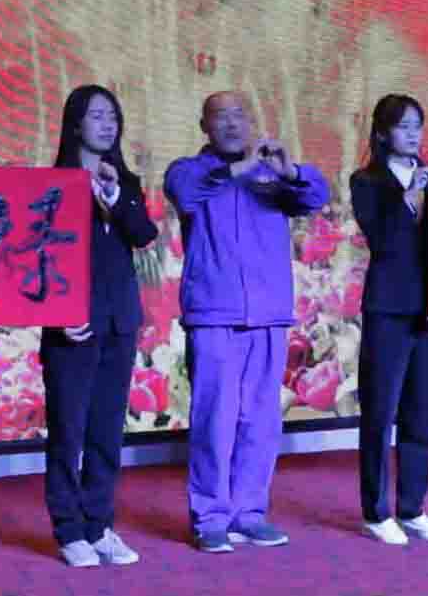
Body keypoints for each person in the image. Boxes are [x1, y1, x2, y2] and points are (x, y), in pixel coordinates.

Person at [164, 90, 330, 553]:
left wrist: (289, 171)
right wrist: (240, 169)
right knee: (214, 421)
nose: (232, 124)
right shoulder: (188, 171)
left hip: (268, 315)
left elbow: (316, 195)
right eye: (221, 116)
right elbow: (185, 193)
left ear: (252, 122)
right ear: (204, 126)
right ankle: (210, 518)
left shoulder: (271, 174)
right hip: (214, 314)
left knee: (260, 420)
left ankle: (249, 513)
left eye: (240, 115)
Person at [40, 85, 159, 567]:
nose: (108, 124)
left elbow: (144, 235)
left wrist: (114, 193)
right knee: (68, 431)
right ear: (75, 124)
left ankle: (99, 525)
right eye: (97, 116)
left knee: (107, 431)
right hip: (72, 325)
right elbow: (39, 259)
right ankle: (69, 530)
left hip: (119, 321)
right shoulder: (53, 184)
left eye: (113, 116)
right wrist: (57, 315)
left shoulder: (123, 182)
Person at [349, 94, 428, 545]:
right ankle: (376, 511)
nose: (413, 134)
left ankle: (413, 508)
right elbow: (381, 239)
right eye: (404, 126)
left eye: (417, 126)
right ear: (383, 132)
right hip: (388, 307)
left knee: (420, 414)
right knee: (380, 412)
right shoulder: (367, 181)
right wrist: (408, 198)